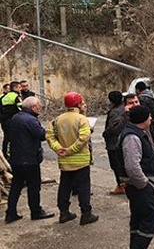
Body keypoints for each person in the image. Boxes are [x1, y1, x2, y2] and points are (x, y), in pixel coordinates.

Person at [117, 105, 154, 249]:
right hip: (139, 187)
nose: (151, 119)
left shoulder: (137, 132)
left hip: (138, 186)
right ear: (144, 119)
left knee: (139, 219)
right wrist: (144, 184)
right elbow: (132, 167)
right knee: (151, 218)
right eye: (149, 117)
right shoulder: (132, 137)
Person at [45, 92, 99, 225]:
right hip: (80, 160)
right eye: (83, 103)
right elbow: (83, 138)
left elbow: (50, 136)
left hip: (64, 160)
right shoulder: (82, 119)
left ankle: (64, 213)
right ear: (79, 104)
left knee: (64, 186)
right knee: (83, 187)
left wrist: (59, 148)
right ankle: (86, 214)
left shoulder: (57, 119)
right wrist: (71, 150)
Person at [4, 96, 54, 223]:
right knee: (34, 186)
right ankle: (36, 211)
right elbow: (42, 135)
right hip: (29, 159)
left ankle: (11, 212)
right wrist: (50, 130)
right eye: (39, 106)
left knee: (16, 186)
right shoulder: (31, 120)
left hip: (16, 158)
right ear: (33, 107)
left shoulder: (15, 118)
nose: (40, 109)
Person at [103, 91, 126, 195]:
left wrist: (105, 134)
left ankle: (121, 185)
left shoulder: (115, 111)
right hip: (121, 141)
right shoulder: (123, 108)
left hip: (114, 143)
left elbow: (113, 128)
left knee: (116, 165)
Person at [0, 81, 23, 158]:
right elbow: (21, 108)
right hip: (14, 120)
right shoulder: (16, 97)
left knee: (7, 138)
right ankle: (14, 154)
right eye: (19, 87)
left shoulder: (4, 97)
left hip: (4, 121)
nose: (21, 89)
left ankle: (6, 154)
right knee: (15, 138)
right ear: (15, 88)